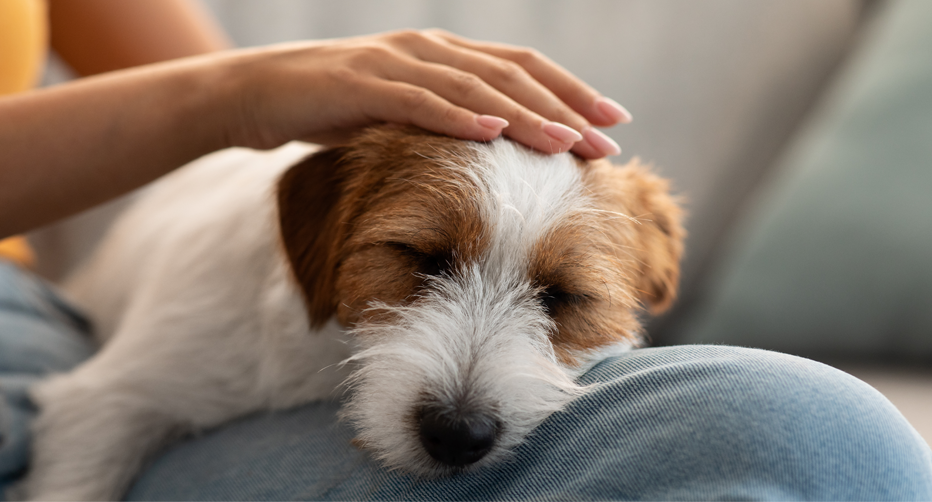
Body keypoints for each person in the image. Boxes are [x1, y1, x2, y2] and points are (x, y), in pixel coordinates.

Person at [0, 1, 929, 500]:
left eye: (561, 302)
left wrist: (247, 91)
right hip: (39, 351)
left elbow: (225, 99)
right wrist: (236, 93)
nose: (464, 398)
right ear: (316, 234)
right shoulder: (220, 306)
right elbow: (99, 416)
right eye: (422, 260)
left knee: (822, 440)